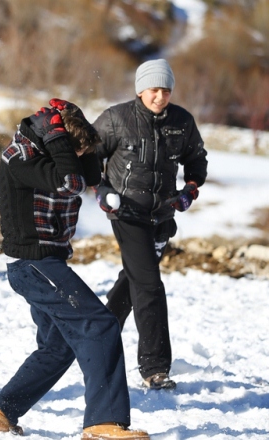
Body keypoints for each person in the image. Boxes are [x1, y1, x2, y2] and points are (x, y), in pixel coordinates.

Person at [0, 99, 149, 439]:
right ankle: (104, 422)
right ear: (55, 141)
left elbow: (89, 175)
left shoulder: (55, 155)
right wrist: (57, 138)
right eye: (75, 150)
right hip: (33, 263)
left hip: (45, 263)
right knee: (99, 325)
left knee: (58, 346)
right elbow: (69, 181)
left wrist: (78, 146)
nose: (80, 158)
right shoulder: (20, 157)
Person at [92, 59, 208, 390]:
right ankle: (155, 368)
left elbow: (196, 159)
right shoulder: (116, 118)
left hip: (163, 214)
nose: (160, 97)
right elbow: (88, 156)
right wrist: (101, 190)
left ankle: (96, 335)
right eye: (154, 90)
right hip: (126, 213)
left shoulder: (182, 121)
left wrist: (191, 188)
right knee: (149, 285)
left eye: (166, 90)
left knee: (133, 281)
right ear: (141, 89)